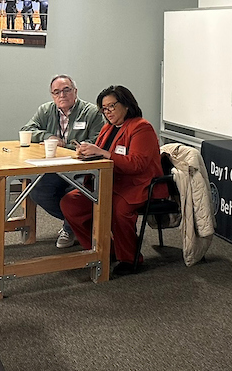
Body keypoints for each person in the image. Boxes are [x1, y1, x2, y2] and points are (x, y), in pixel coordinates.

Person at [61, 84, 167, 274]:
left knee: (119, 209)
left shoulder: (141, 127)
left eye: (112, 106)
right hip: (109, 183)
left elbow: (137, 164)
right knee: (71, 202)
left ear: (126, 104)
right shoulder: (108, 128)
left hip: (138, 185)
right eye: (104, 108)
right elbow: (102, 155)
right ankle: (104, 250)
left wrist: (102, 153)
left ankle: (130, 259)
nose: (107, 112)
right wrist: (87, 153)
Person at [20, 75, 105, 248]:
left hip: (83, 168)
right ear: (52, 95)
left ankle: (70, 226)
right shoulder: (46, 110)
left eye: (66, 90)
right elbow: (27, 129)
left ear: (75, 91)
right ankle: (74, 223)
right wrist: (47, 136)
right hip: (53, 167)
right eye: (56, 92)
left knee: (75, 194)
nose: (62, 95)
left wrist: (66, 146)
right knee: (36, 189)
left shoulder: (91, 112)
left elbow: (97, 141)